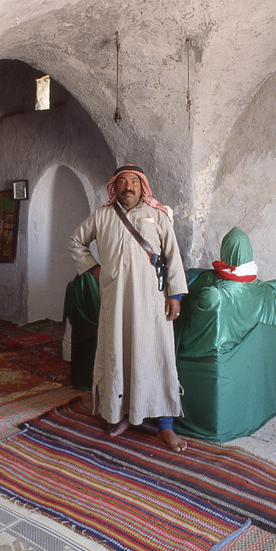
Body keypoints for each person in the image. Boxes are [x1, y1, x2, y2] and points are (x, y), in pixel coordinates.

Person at [68, 163, 188, 452]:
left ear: (142, 185)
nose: (128, 187)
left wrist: (175, 295)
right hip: (116, 302)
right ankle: (122, 415)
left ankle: (165, 426)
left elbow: (172, 255)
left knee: (157, 356)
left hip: (152, 303)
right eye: (122, 182)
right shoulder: (102, 216)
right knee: (118, 355)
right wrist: (94, 269)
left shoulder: (157, 215)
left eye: (134, 181)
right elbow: (75, 242)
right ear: (115, 187)